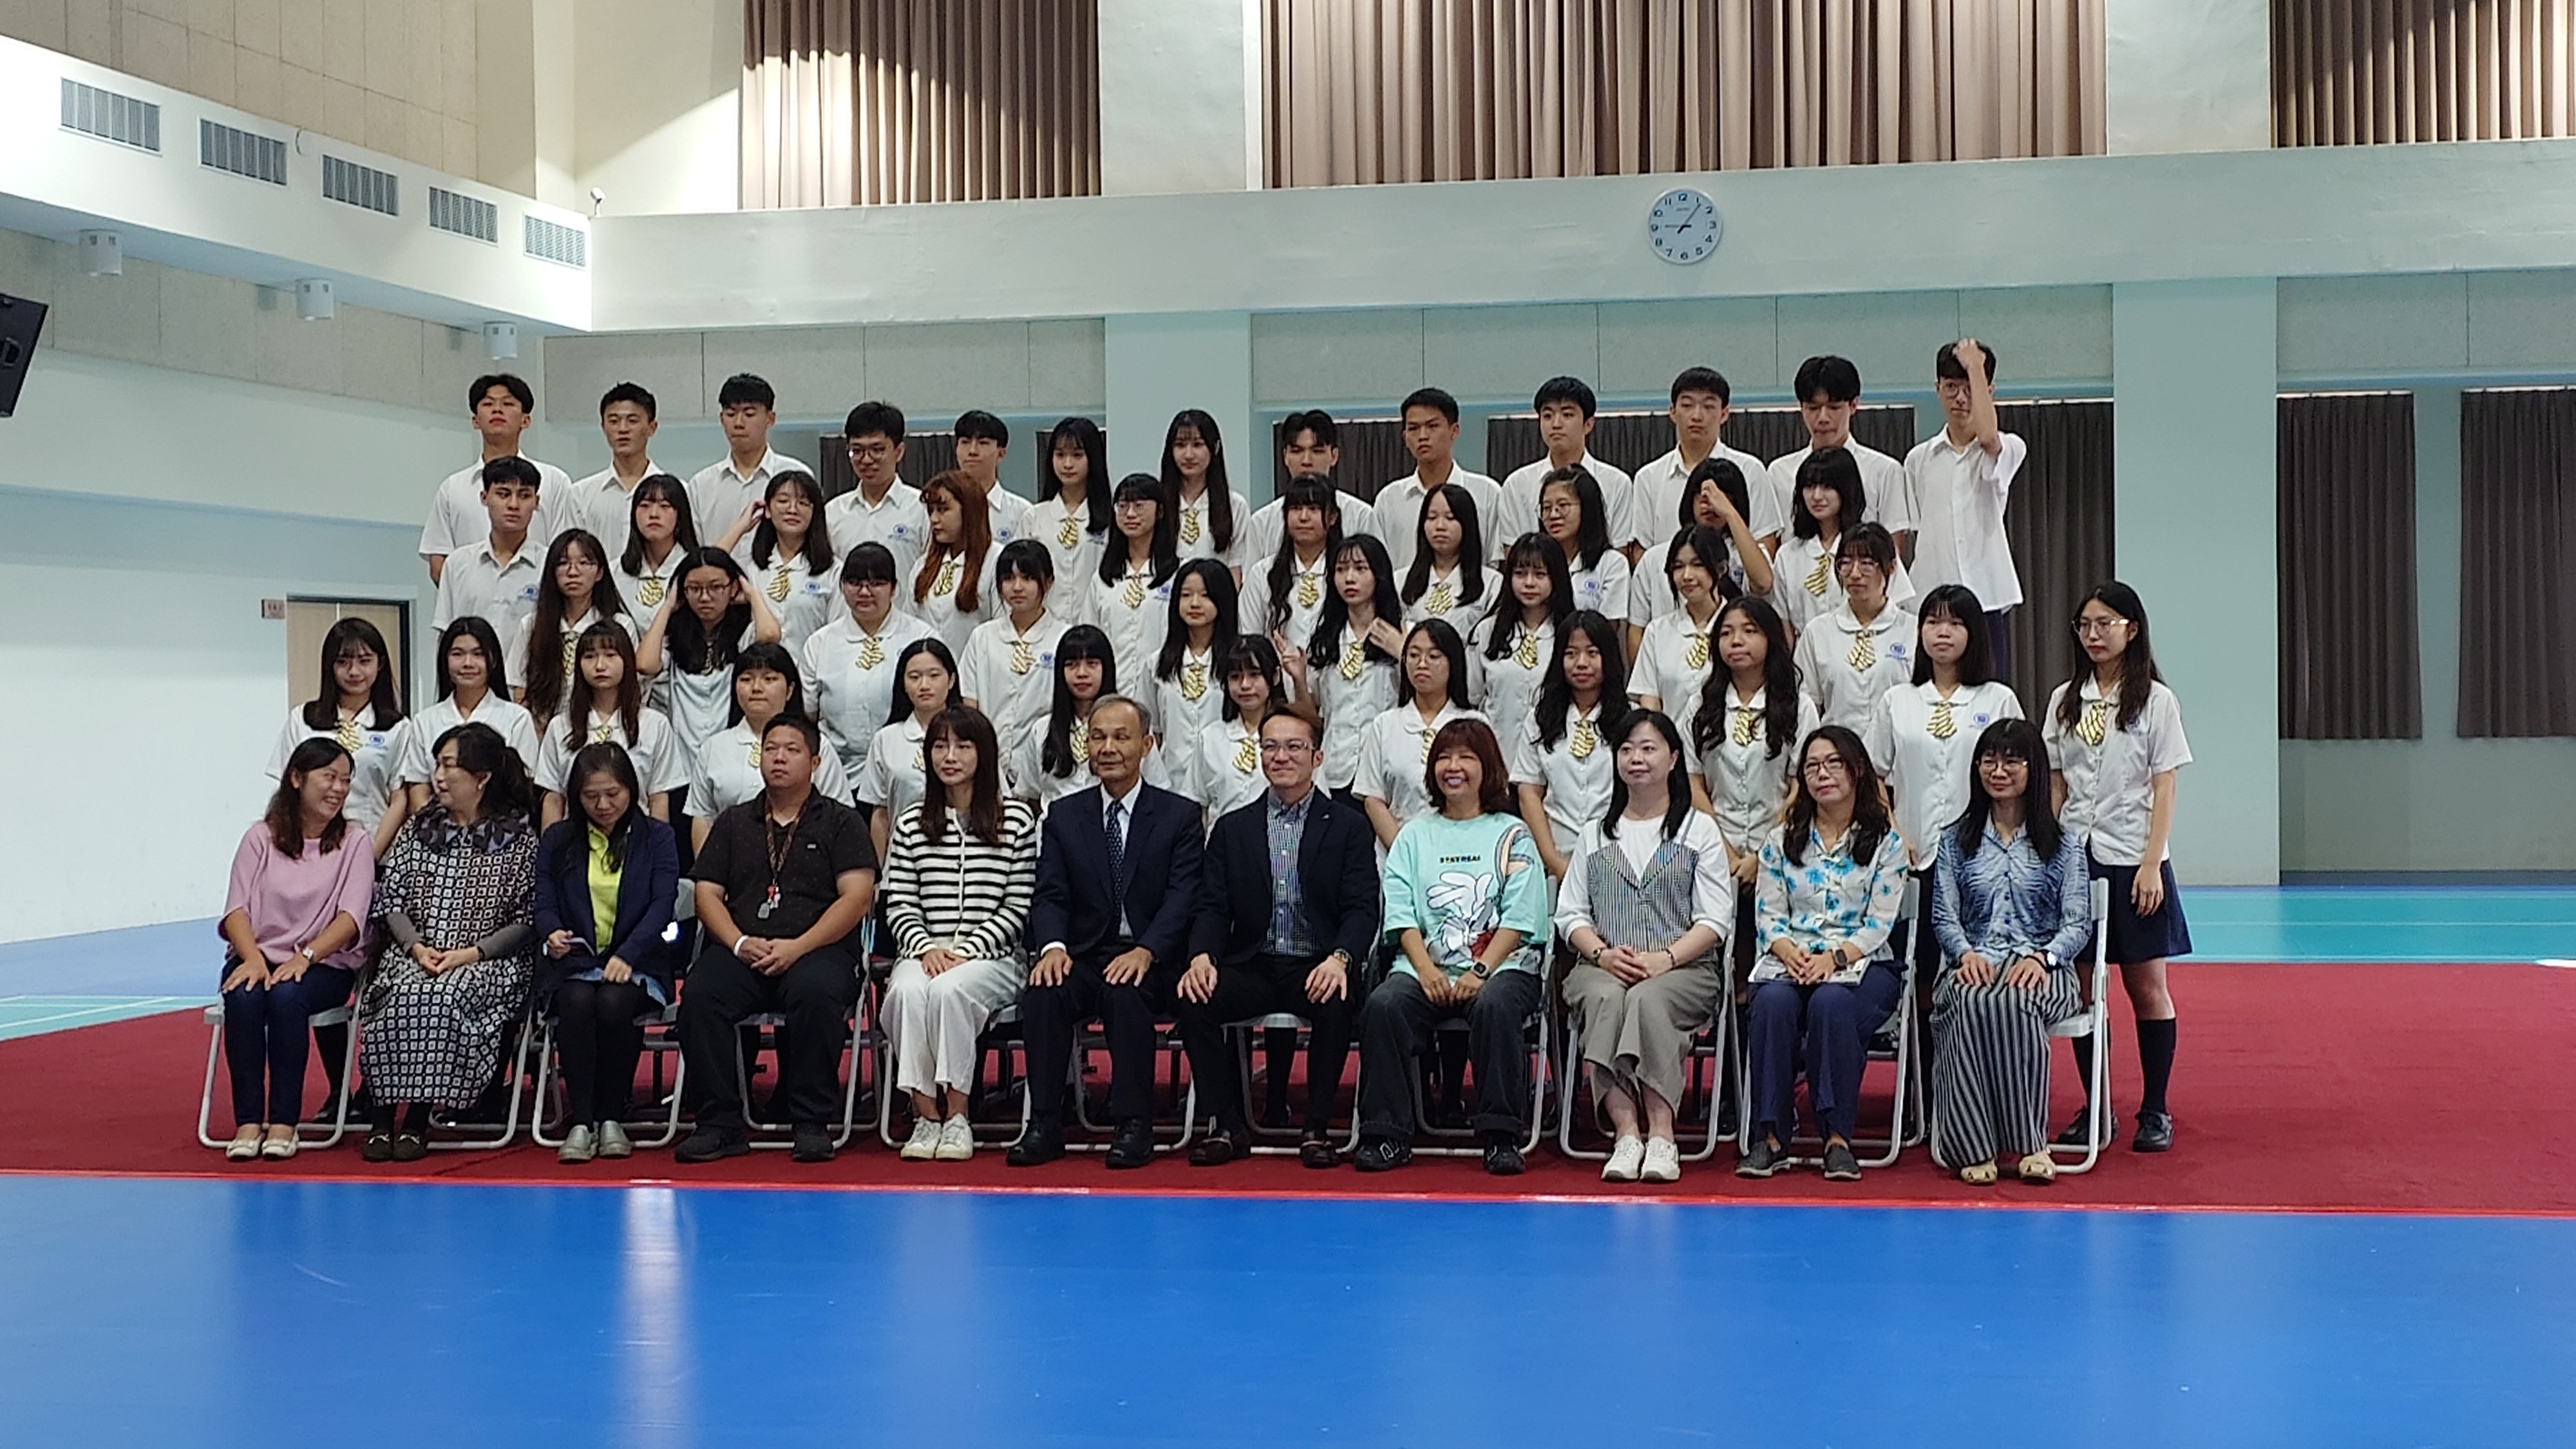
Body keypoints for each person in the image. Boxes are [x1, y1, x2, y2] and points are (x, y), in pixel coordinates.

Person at [1173, 702, 1377, 1168]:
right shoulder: (1233, 828)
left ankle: (1317, 1129)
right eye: (1270, 747)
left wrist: (1341, 957)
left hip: (1318, 961)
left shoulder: (1348, 826)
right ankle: (1227, 1124)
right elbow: (1212, 905)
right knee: (1194, 997)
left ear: (1317, 757)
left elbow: (1362, 908)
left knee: (1336, 999)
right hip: (1255, 961)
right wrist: (1202, 955)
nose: (1281, 756)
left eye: (1294, 747)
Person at [674, 714, 880, 1164]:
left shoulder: (841, 822)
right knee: (702, 993)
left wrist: (798, 947)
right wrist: (738, 942)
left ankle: (810, 1121)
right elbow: (706, 893)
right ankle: (719, 1123)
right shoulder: (733, 822)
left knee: (815, 992)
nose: (779, 758)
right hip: (744, 947)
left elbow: (857, 897)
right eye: (770, 749)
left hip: (818, 949)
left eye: (791, 750)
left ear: (815, 762)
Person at [1012, 696, 1205, 1169]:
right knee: (1044, 992)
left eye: (1121, 737)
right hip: (1085, 952)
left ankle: (1134, 1123)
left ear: (1147, 744)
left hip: (1153, 958)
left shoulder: (1179, 815)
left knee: (1125, 994)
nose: (1108, 748)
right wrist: (1052, 946)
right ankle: (1044, 1122)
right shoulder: (1064, 816)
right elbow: (1050, 893)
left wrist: (1147, 950)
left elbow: (1183, 897)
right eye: (1098, 737)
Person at [1356, 718, 1549, 1175]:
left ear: (1488, 767)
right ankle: (1387, 1134)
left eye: (1466, 757)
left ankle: (1501, 1135)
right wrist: (1426, 970)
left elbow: (1521, 918)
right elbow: (1401, 913)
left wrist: (1480, 971)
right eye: (1444, 757)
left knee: (1496, 1007)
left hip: (1502, 967)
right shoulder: (1413, 836)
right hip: (1425, 967)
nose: (1453, 767)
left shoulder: (1513, 833)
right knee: (1384, 1006)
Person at [2043, 582, 2192, 1154]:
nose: (2094, 635)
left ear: (2132, 629)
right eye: (2085, 625)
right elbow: (2057, 782)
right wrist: (2050, 853)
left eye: (2105, 624)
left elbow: (2164, 785)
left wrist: (2152, 863)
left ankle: (2155, 1108)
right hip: (2077, 858)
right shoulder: (2065, 700)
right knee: (2083, 989)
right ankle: (2097, 1105)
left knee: (2145, 987)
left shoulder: (2156, 701)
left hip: (2133, 858)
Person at [1555, 709, 1734, 1184]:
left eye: (1649, 748)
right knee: (1606, 998)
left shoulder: (1699, 830)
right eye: (1627, 749)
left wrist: (1666, 959)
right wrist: (1602, 954)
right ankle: (1626, 1134)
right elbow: (1571, 915)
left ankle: (1662, 1135)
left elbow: (1715, 919)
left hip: (1684, 968)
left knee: (1648, 999)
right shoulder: (1595, 833)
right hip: (1604, 964)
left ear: (1673, 759)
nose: (1636, 758)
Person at [361, 722, 542, 1162]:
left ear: (481, 778)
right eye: (437, 765)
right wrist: (415, 947)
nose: (438, 777)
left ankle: (417, 1120)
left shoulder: (517, 838)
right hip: (415, 953)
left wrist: (471, 954)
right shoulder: (419, 828)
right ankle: (381, 1120)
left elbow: (527, 919)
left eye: (449, 766)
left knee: (440, 996)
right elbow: (391, 898)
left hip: (486, 961)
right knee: (398, 992)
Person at [1739, 726, 1909, 1182]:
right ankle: (1770, 1135)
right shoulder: (1781, 841)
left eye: (1834, 763)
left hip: (1863, 964)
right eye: (1813, 766)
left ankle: (1836, 1137)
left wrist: (1833, 960)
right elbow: (1769, 915)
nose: (1823, 774)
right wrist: (1790, 954)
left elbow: (1879, 923)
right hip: (1791, 960)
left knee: (1831, 1003)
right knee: (1772, 1003)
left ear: (1858, 771)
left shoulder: (1886, 843)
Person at [1930, 719, 2091, 1184]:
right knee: (1965, 1002)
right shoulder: (1954, 841)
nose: (1998, 771)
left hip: (2044, 970)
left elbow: (2077, 923)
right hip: (1973, 963)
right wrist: (1964, 955)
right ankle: (1973, 1146)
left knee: (2015, 1002)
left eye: (2012, 761)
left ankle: (2030, 1143)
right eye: (1989, 760)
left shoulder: (2064, 844)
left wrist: (2044, 959)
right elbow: (1944, 917)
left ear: (2033, 768)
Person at [879, 706, 1039, 1163]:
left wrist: (967, 950)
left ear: (983, 754)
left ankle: (957, 1116)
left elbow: (1018, 905)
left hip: (993, 956)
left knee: (950, 990)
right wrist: (925, 947)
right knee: (907, 992)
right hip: (924, 950)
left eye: (963, 746)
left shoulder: (1016, 821)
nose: (950, 757)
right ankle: (925, 1115)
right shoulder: (911, 823)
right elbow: (900, 901)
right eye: (940, 746)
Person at [216, 739, 375, 1161]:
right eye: (329, 777)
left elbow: (351, 918)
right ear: (296, 779)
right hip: (257, 955)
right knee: (244, 996)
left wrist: (305, 957)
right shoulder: (259, 838)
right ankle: (249, 1122)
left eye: (346, 781)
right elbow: (236, 909)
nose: (338, 789)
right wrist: (253, 958)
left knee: (287, 997)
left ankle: (284, 1123)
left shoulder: (355, 842)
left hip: (323, 963)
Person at [532, 742, 680, 1164]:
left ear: (631, 789)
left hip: (639, 960)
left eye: (612, 794)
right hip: (574, 962)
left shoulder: (658, 837)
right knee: (577, 1000)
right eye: (591, 796)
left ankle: (612, 1115)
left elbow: (662, 904)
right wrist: (552, 932)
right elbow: (543, 899)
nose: (603, 805)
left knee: (614, 1003)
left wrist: (628, 954)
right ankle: (582, 1120)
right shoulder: (559, 839)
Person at [1689, 598, 1822, 980]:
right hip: (1715, 847)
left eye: (1749, 631)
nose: (1736, 641)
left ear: (1770, 640)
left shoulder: (1799, 706)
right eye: (1727, 633)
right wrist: (1726, 851)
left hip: (1784, 846)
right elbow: (1693, 781)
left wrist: (1764, 852)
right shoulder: (1701, 704)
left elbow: (1802, 784)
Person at [1866, 587, 2024, 871]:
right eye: (1933, 622)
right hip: (1912, 854)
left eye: (1955, 623)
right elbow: (1870, 773)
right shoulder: (1897, 700)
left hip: (1983, 859)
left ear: (1974, 632)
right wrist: (1894, 833)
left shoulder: (1999, 699)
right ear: (1919, 631)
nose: (1943, 632)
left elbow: (2022, 775)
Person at [1904, 339, 2027, 676]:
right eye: (1951, 387)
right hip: (1930, 599)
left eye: (1971, 388)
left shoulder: (2010, 447)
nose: (1961, 398)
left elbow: (1988, 438)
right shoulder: (1919, 459)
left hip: (1986, 597)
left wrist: (1975, 365)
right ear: (1937, 389)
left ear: (1988, 391)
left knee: (1989, 691)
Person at [636, 547, 784, 810]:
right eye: (694, 589)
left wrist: (751, 593)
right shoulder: (673, 637)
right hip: (682, 765)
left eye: (716, 587)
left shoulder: (743, 634)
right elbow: (645, 664)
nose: (705, 597)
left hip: (730, 763)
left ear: (733, 588)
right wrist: (668, 606)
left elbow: (770, 636)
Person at [687, 642, 858, 848]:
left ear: (790, 690)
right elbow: (703, 818)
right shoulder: (714, 748)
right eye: (746, 679)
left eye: (769, 679)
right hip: (730, 861)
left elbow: (840, 816)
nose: (756, 688)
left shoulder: (818, 745)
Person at [265, 616, 406, 855]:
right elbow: (287, 786)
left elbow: (399, 799)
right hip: (308, 849)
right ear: (329, 665)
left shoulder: (398, 727)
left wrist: (371, 854)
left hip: (371, 847)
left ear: (380, 664)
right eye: (343, 662)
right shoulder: (304, 719)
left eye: (365, 661)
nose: (354, 671)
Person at [1512, 610, 1627, 888]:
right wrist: (1554, 861)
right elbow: (1529, 792)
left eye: (1592, 653)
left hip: (1621, 857)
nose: (1581, 663)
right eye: (1571, 654)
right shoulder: (1540, 719)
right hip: (1557, 859)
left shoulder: (1631, 719)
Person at [802, 542, 935, 782]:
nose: (865, 592)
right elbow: (808, 715)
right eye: (855, 583)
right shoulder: (820, 643)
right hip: (836, 772)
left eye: (876, 583)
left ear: (894, 588)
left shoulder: (921, 638)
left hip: (907, 771)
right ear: (842, 586)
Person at [420, 374, 571, 583]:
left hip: (538, 596)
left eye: (508, 404)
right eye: (488, 404)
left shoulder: (553, 481)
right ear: (475, 421)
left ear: (526, 420)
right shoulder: (453, 488)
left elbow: (566, 551)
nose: (497, 410)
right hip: (471, 599)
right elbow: (439, 560)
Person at [535, 621, 683, 828]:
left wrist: (657, 845)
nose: (600, 666)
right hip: (576, 839)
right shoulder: (560, 726)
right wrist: (551, 845)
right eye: (590, 657)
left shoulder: (655, 724)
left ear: (627, 661)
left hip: (635, 838)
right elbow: (553, 798)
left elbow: (658, 798)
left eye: (610, 655)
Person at [1761, 355, 1913, 554]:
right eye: (1813, 408)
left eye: (1834, 408)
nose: (1823, 418)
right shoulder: (1779, 472)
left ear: (1853, 405)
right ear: (1801, 408)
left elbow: (1893, 551)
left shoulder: (1884, 470)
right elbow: (1773, 548)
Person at [1355, 620, 1486, 849]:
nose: (1422, 664)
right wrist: (1405, 853)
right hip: (1398, 853)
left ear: (1453, 663)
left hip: (1462, 851)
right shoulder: (1385, 724)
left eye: (1434, 656)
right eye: (1414, 655)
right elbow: (1373, 799)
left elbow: (1489, 794)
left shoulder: (1474, 724)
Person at [1293, 535, 1405, 799]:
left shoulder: (1403, 632)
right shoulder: (1324, 639)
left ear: (1379, 575)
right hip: (1336, 767)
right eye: (1341, 570)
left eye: (1360, 569)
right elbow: (1313, 714)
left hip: (1386, 766)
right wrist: (1298, 678)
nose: (1350, 578)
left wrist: (1403, 653)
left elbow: (1425, 694)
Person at [1010, 625, 1168, 811]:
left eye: (1092, 664)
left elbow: (1157, 789)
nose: (1082, 673)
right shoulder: (1042, 729)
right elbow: (1029, 793)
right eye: (1071, 665)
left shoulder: (1133, 724)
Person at [393, 617, 540, 814]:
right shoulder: (425, 721)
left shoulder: (517, 719)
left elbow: (524, 787)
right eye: (458, 654)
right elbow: (418, 788)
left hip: (501, 827)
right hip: (438, 828)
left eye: (478, 654)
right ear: (445, 660)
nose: (468, 663)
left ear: (493, 660)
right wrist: (438, 826)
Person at [1629, 457, 1771, 645]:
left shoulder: (1747, 554)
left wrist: (1729, 513)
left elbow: (1763, 584)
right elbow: (1637, 628)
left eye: (1720, 496)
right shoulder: (1654, 558)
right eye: (1701, 496)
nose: (1709, 503)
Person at [1794, 524, 1917, 734]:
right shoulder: (1818, 632)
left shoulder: (1913, 630)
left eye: (1867, 564)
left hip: (1897, 746)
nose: (1855, 574)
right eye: (1846, 563)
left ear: (1891, 567)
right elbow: (1807, 705)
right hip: (1837, 748)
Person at [1631, 366, 1771, 548]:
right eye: (1687, 406)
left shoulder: (1750, 470)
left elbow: (1765, 541)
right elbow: (1641, 549)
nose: (1697, 416)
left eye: (1708, 407)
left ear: (1724, 414)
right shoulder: (1648, 478)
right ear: (1672, 412)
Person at [1495, 376, 1634, 554]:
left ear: (1588, 424)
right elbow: (1513, 554)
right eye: (1548, 416)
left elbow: (1619, 551)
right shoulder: (1517, 484)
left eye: (1567, 415)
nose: (1556, 424)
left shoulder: (1616, 483)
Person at [508, 528, 634, 725]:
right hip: (543, 730)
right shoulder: (532, 625)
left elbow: (630, 687)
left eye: (584, 563)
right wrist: (539, 731)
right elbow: (519, 687)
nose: (573, 572)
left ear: (600, 573)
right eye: (563, 563)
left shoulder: (620, 625)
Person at [854, 638, 963, 862]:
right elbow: (881, 814)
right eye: (914, 677)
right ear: (903, 684)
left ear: (951, 680)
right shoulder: (886, 739)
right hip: (903, 862)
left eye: (934, 675)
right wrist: (880, 872)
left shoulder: (973, 734)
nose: (924, 685)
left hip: (961, 862)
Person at [1378, 388, 1500, 576]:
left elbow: (1496, 563)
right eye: (1413, 428)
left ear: (1454, 431)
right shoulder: (1389, 499)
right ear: (1405, 438)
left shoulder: (1487, 493)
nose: (1423, 436)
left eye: (1432, 426)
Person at [1629, 524, 1734, 744]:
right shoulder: (1657, 632)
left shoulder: (1738, 629)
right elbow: (1650, 699)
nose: (1687, 576)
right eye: (1678, 567)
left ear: (1721, 568)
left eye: (1698, 565)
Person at [958, 540, 1068, 748]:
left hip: (1044, 754)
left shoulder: (1063, 638)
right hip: (990, 754)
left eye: (1027, 578)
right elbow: (970, 701)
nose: (1017, 587)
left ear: (1048, 582)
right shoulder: (982, 637)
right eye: (1008, 579)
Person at [429, 457, 545, 647]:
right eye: (503, 494)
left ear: (536, 501)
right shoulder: (457, 564)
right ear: (484, 498)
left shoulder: (549, 563)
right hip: (471, 665)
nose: (514, 505)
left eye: (524, 496)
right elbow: (446, 634)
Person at [1471, 533, 1573, 740]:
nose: (1529, 583)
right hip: (1498, 748)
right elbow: (1471, 697)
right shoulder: (1487, 631)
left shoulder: (1570, 634)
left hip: (1552, 748)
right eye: (1520, 574)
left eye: (1540, 574)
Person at [1084, 473, 1179, 692]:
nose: (1130, 514)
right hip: (1113, 690)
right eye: (1123, 506)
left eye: (1139, 505)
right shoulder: (1102, 579)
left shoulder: (1178, 574)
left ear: (1160, 511)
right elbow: (1091, 637)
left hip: (1164, 688)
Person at [1242, 410, 1377, 563]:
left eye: (1317, 451)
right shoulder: (1262, 522)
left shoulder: (1361, 516)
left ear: (1334, 456)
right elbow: (1251, 575)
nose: (1306, 461)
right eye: (1297, 451)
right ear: (1285, 456)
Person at [1239, 474, 1345, 661]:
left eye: (1313, 509)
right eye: (1296, 509)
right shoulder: (1262, 574)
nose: (1303, 517)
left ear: (1333, 517)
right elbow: (1249, 637)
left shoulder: (1346, 573)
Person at [1186, 635, 1287, 830]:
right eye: (1235, 677)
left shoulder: (1292, 736)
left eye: (1255, 675)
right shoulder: (1210, 738)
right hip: (1222, 844)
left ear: (1275, 676)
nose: (1245, 685)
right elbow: (1195, 802)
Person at [822, 401, 930, 580]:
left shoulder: (922, 508)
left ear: (899, 451)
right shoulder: (833, 512)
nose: (866, 460)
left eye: (877, 450)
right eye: (857, 451)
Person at [732, 471, 839, 650]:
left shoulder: (834, 571)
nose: (792, 510)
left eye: (803, 503)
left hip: (808, 666)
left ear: (814, 512)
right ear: (767, 509)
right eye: (783, 501)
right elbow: (705, 567)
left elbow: (838, 634)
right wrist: (742, 526)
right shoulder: (751, 566)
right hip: (756, 665)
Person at [688, 373, 799, 545]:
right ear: (721, 419)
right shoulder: (701, 485)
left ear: (770, 419)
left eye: (749, 414)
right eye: (731, 414)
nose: (738, 423)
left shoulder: (796, 475)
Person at [1768, 446, 1866, 637]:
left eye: (1827, 487)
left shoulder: (1872, 547)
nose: (1817, 496)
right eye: (1810, 487)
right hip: (1805, 651)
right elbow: (1784, 622)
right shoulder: (1788, 555)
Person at [1153, 559, 1241, 755]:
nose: (1194, 603)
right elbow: (1153, 730)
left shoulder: (1238, 661)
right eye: (1186, 595)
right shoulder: (1156, 663)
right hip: (1171, 770)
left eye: (1205, 595)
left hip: (1223, 767)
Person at [906, 470, 999, 653]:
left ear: (969, 511)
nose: (934, 519)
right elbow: (909, 626)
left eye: (943, 510)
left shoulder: (995, 561)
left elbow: (1001, 630)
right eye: (931, 511)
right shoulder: (922, 566)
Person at [1028, 416, 1109, 620]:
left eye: (1077, 455)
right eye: (1060, 455)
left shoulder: (1111, 518)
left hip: (1096, 625)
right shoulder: (1034, 517)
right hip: (1045, 628)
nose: (1068, 464)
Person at [574, 382, 666, 555]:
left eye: (632, 421)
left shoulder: (677, 492)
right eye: (614, 421)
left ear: (652, 428)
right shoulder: (580, 494)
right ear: (603, 427)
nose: (623, 429)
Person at [1397, 482, 1495, 643]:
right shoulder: (1399, 581)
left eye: (1450, 518)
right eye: (1432, 518)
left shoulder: (1492, 584)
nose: (1440, 526)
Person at [1160, 409, 1249, 574]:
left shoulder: (1235, 505)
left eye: (1198, 445)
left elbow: (1235, 567)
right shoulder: (1158, 503)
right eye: (1180, 445)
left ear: (1215, 448)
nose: (1188, 455)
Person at [1539, 466, 1631, 621]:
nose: (1553, 515)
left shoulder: (1611, 563)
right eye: (1547, 508)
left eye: (1563, 506)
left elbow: (1608, 628)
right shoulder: (1537, 561)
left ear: (1587, 507)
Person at [612, 473, 701, 618]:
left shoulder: (695, 570)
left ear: (680, 515)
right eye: (645, 506)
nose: (654, 514)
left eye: (664, 506)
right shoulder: (615, 572)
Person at [951, 409, 1030, 545]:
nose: (972, 451)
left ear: (1001, 454)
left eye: (983, 443)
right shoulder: (939, 509)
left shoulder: (1022, 512)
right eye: (965, 442)